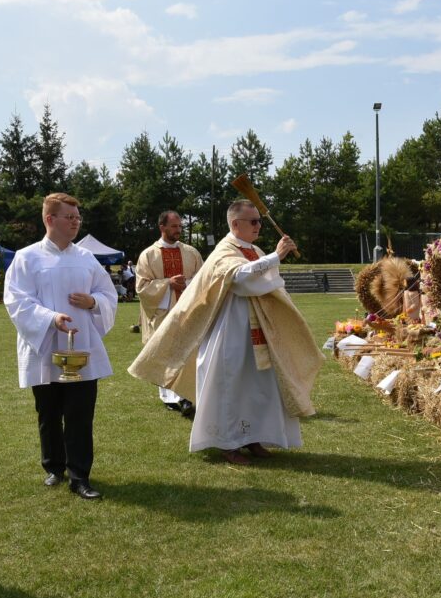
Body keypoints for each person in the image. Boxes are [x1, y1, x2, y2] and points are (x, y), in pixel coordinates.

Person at [129, 199, 324, 465]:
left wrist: (272, 262)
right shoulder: (224, 250)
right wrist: (275, 257)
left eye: (259, 221)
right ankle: (227, 443)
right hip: (229, 332)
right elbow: (241, 279)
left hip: (257, 329)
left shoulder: (253, 248)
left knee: (258, 385)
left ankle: (253, 437)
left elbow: (266, 280)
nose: (258, 226)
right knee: (230, 386)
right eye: (253, 221)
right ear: (235, 224)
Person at [4, 193, 117, 499]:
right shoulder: (27, 257)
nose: (75, 223)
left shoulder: (86, 258)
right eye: (70, 217)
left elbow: (109, 293)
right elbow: (16, 300)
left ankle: (80, 476)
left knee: (80, 413)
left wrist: (94, 301)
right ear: (49, 219)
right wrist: (51, 318)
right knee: (49, 411)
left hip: (81, 347)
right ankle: (54, 466)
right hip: (44, 346)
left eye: (78, 218)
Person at [135, 210, 204, 416]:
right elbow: (142, 287)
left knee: (188, 352)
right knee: (166, 353)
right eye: (174, 226)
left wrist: (187, 283)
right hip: (163, 313)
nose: (178, 230)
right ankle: (170, 397)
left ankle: (187, 394)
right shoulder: (148, 255)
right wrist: (168, 284)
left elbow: (203, 280)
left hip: (188, 312)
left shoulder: (191, 253)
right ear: (162, 227)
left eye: (180, 226)